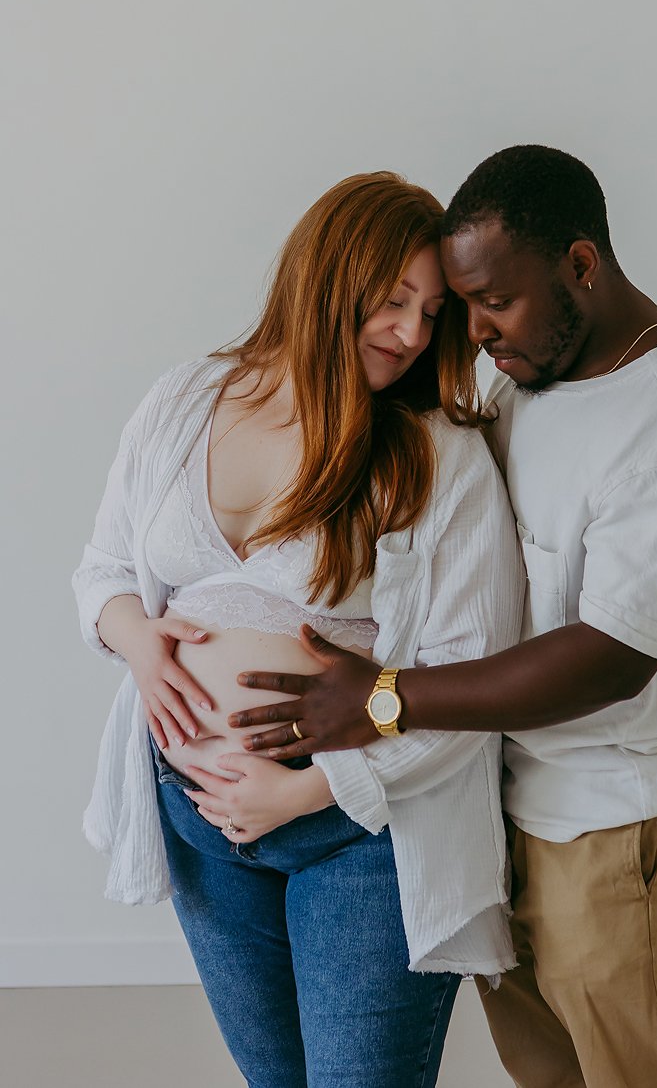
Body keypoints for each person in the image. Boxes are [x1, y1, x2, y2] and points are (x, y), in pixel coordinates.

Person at [231, 145, 657, 1088]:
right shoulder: (526, 375)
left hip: (623, 825)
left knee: (644, 1075)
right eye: (461, 307)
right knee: (552, 1073)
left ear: (581, 265)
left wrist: (387, 700)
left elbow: (607, 659)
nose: (473, 331)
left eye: (493, 302)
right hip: (516, 802)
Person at [73, 171, 524, 1088]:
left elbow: (472, 681)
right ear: (324, 281)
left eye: (430, 311)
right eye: (391, 300)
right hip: (195, 813)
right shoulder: (186, 401)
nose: (410, 332)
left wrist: (304, 793)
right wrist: (141, 645)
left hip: (361, 831)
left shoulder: (436, 452)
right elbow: (105, 571)